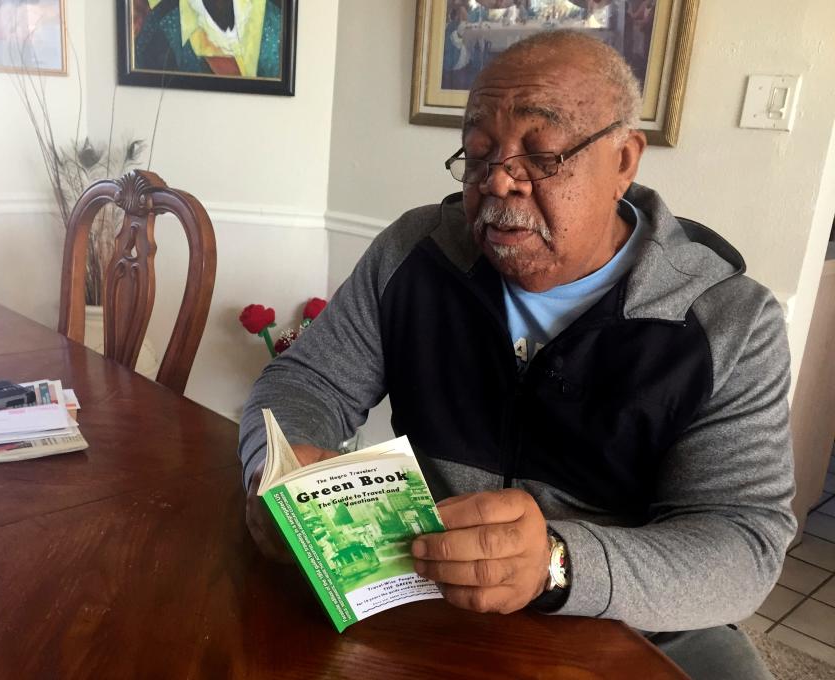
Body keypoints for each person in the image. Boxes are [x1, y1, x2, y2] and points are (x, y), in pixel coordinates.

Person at [238, 30, 795, 680]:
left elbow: (741, 542)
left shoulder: (727, 322)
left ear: (624, 159)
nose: (499, 182)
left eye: (542, 156)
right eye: (478, 155)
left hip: (632, 625)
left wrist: (558, 565)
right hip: (429, 592)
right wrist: (277, 467)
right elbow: (306, 381)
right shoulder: (414, 255)